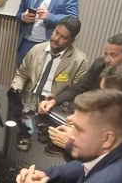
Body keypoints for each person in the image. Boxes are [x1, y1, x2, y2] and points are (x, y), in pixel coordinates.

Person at [9, 16, 88, 151]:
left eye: (63, 37)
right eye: (56, 32)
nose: (56, 38)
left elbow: (77, 92)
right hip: (27, 103)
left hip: (54, 109)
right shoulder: (37, 49)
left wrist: (56, 101)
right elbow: (21, 74)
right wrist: (16, 86)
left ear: (72, 40)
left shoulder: (80, 61)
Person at [38, 32, 122, 116]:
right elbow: (77, 89)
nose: (107, 60)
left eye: (113, 55)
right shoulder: (99, 64)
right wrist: (54, 101)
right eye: (106, 54)